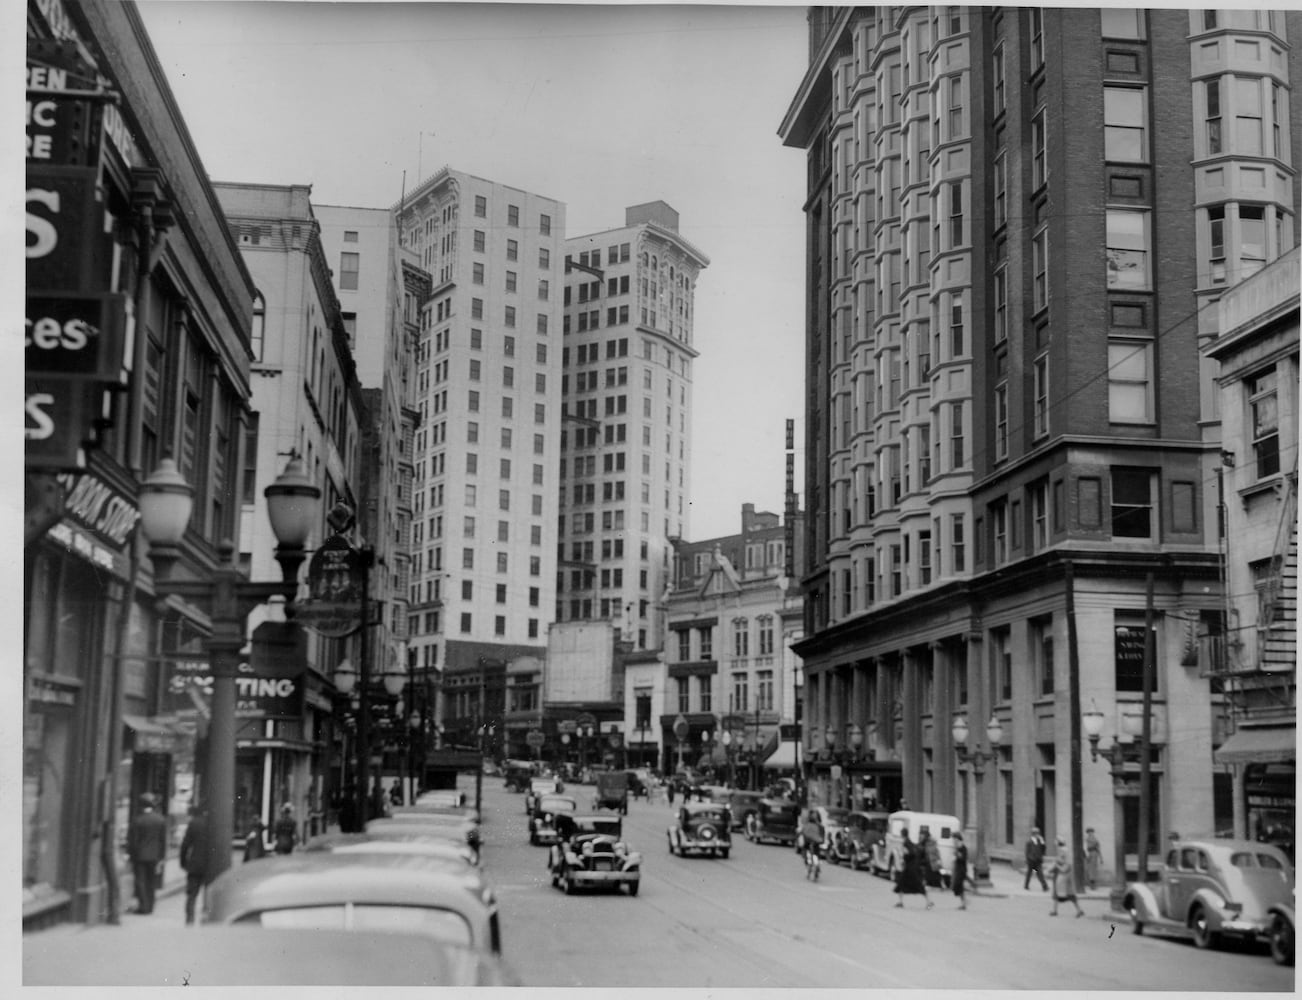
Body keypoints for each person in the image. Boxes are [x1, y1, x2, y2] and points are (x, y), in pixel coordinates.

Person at [126, 793, 168, 915]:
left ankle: (143, 907)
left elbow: (133, 841)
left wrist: (131, 855)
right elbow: (162, 841)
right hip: (154, 856)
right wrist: (161, 857)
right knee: (151, 881)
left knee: (140, 881)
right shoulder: (160, 819)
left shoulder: (137, 820)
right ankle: (150, 906)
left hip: (139, 856)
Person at [179, 803, 217, 925]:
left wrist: (183, 862)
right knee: (209, 892)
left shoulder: (194, 823)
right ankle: (207, 917)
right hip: (211, 864)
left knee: (191, 894)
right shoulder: (215, 823)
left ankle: (189, 919)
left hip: (195, 863)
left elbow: (185, 845)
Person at [1048, 836, 1085, 917]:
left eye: (1056, 842)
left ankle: (1079, 910)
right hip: (1060, 873)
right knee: (1058, 893)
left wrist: (1056, 863)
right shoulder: (1062, 850)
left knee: (1068, 893)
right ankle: (1055, 910)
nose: (1055, 844)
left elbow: (1064, 861)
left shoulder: (1063, 850)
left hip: (1063, 874)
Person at [893, 830, 932, 908]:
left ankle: (928, 902)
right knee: (901, 884)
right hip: (910, 868)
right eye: (920, 836)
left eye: (921, 836)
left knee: (919, 886)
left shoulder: (910, 843)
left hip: (913, 869)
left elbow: (913, 854)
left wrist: (905, 855)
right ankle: (900, 902)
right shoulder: (914, 843)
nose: (920, 837)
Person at [800, 810, 826, 880]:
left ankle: (812, 866)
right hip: (813, 843)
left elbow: (803, 832)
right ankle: (814, 866)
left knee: (808, 852)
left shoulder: (811, 825)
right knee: (813, 853)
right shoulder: (819, 826)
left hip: (811, 843)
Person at [951, 831, 973, 909]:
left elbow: (962, 858)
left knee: (958, 886)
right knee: (959, 887)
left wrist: (956, 853)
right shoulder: (958, 847)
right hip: (958, 869)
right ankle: (964, 903)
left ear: (957, 839)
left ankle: (965, 901)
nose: (953, 841)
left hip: (962, 870)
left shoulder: (963, 848)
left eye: (954, 839)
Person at [1024, 826, 1048, 891]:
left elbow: (1043, 850)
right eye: (1036, 833)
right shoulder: (1029, 842)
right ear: (1033, 834)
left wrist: (1043, 842)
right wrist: (1027, 859)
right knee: (1029, 873)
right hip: (1031, 860)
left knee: (1040, 873)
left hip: (1038, 860)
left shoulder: (1040, 841)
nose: (1037, 834)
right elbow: (1027, 852)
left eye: (1038, 833)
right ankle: (1026, 885)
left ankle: (1045, 886)